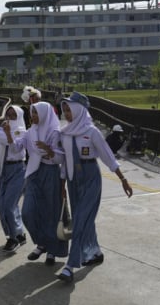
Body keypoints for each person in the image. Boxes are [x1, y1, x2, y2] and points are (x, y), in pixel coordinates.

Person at [57, 92, 133, 283]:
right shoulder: (64, 133)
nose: (66, 113)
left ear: (79, 110)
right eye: (64, 110)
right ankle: (95, 252)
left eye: (70, 110)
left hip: (90, 177)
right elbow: (65, 161)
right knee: (83, 220)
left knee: (81, 220)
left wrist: (123, 179)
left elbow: (108, 155)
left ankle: (71, 265)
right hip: (74, 180)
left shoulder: (91, 132)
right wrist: (62, 184)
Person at [11, 102, 67, 263]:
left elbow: (61, 158)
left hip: (50, 173)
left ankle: (52, 250)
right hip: (34, 173)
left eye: (36, 113)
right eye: (32, 113)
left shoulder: (55, 132)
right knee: (28, 213)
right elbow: (16, 148)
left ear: (44, 114)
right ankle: (42, 243)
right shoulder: (30, 132)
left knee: (51, 213)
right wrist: (8, 134)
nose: (33, 116)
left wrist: (49, 150)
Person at [0, 105, 28, 252]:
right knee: (2, 206)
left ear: (19, 116)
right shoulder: (0, 129)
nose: (10, 118)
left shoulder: (23, 132)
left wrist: (9, 135)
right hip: (4, 169)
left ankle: (12, 238)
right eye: (8, 115)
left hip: (18, 169)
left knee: (9, 205)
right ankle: (18, 233)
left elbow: (16, 149)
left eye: (13, 115)